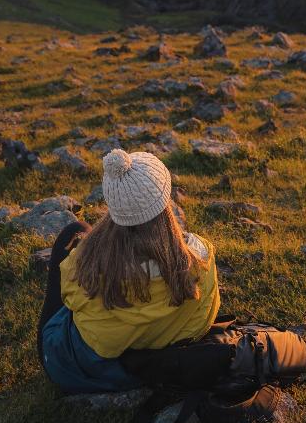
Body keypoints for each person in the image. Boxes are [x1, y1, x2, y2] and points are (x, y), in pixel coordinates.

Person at [37, 148, 220, 393]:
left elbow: (70, 298)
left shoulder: (85, 269)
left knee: (75, 231)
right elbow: (206, 317)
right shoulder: (201, 257)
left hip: (84, 369)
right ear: (164, 201)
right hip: (161, 365)